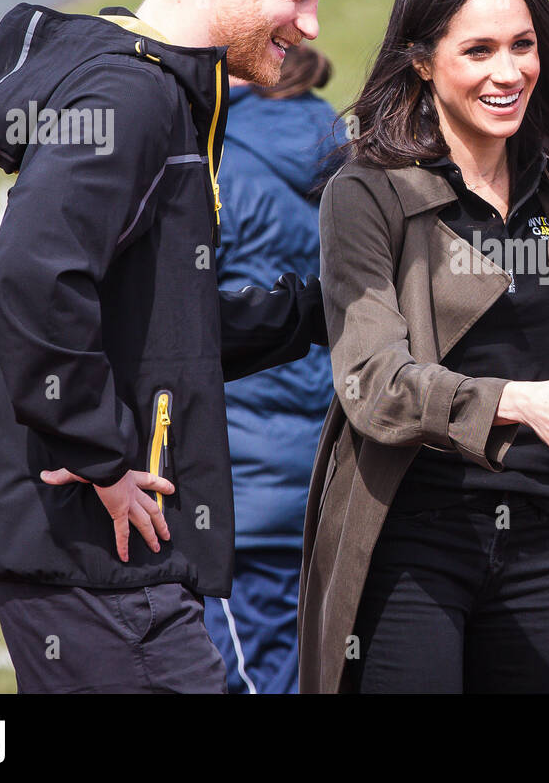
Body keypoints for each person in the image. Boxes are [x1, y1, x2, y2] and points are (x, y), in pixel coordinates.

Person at [0, 0, 361, 694]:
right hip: (95, 553)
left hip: (110, 554)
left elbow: (168, 331)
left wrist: (331, 306)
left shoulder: (166, 95)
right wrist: (100, 456)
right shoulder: (128, 96)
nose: (312, 25)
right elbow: (31, 279)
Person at [299, 0, 549, 694]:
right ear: (423, 62)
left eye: (523, 46)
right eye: (479, 50)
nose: (509, 71)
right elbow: (371, 382)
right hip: (410, 539)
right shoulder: (366, 193)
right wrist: (518, 403)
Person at [202, 44, 342, 694]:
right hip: (334, 468)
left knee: (247, 673)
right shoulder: (351, 146)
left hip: (240, 476)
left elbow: (188, 319)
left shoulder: (212, 152)